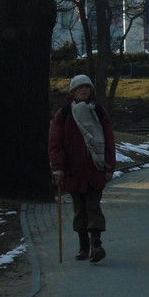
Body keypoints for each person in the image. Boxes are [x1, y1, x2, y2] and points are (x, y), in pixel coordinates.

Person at [48, 74, 116, 263]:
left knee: (93, 207)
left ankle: (96, 244)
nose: (84, 91)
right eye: (80, 88)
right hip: (73, 170)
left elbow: (109, 139)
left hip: (95, 168)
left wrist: (109, 166)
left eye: (87, 88)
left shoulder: (99, 112)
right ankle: (83, 245)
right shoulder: (64, 114)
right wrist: (58, 167)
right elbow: (56, 143)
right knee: (79, 210)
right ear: (73, 92)